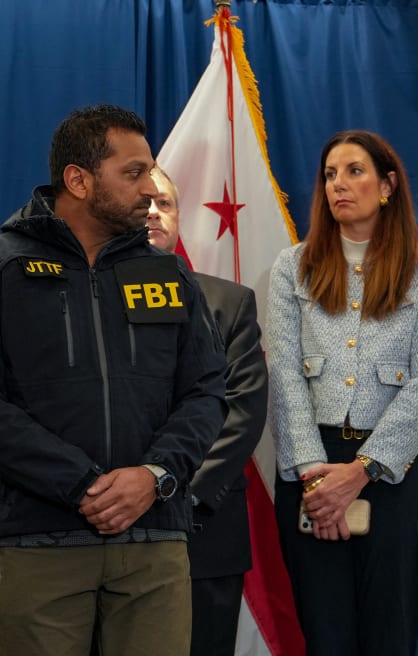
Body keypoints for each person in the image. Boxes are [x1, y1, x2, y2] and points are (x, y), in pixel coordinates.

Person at [0, 104, 226, 654]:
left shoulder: (168, 274)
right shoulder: (7, 266)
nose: (151, 187)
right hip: (37, 539)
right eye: (133, 173)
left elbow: (206, 391)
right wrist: (79, 484)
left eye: (149, 170)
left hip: (154, 539)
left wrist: (154, 475)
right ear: (78, 180)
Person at [268, 130, 418, 655]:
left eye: (354, 171)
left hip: (393, 473)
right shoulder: (293, 265)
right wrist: (314, 479)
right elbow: (283, 374)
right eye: (329, 174)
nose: (339, 185)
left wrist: (362, 471)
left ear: (387, 184)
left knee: (389, 633)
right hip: (313, 471)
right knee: (323, 634)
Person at [146, 167, 269, 656]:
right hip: (110, 532)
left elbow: (242, 411)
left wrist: (176, 495)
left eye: (166, 203)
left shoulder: (229, 301)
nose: (154, 212)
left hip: (205, 529)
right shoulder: (83, 299)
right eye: (143, 202)